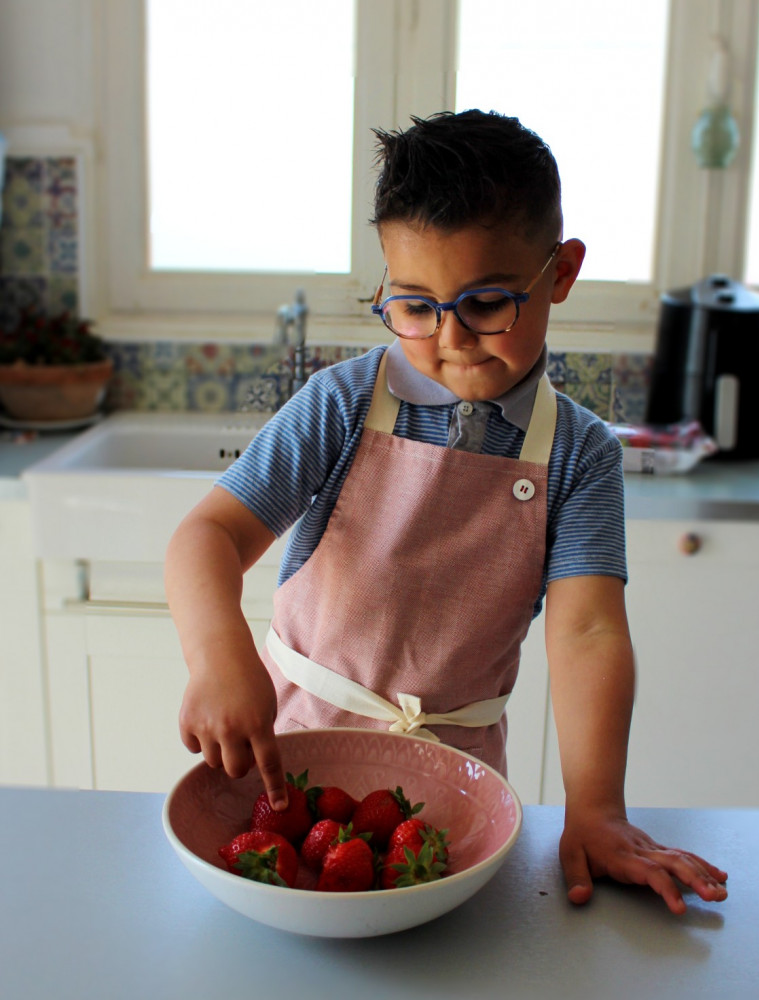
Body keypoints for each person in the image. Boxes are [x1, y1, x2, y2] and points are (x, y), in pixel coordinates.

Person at [165, 109, 728, 914]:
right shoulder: (343, 403)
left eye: (488, 302)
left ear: (560, 273)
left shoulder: (580, 453)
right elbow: (207, 537)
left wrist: (597, 808)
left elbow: (589, 631)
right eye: (416, 306)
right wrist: (219, 658)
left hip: (452, 792)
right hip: (295, 759)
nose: (451, 338)